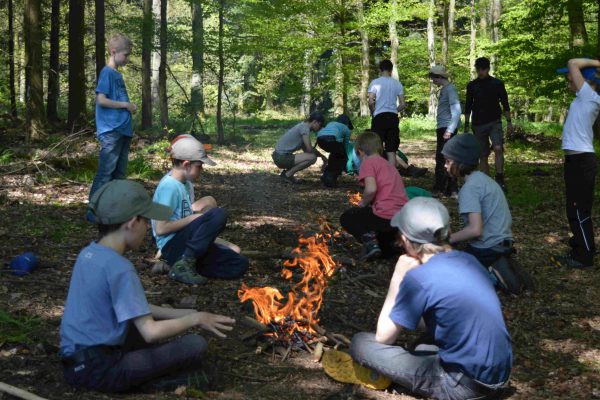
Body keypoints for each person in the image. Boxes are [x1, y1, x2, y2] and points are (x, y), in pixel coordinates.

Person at [60, 180, 236, 393]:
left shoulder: (89, 255)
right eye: (146, 222)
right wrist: (195, 320)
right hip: (102, 370)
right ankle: (156, 381)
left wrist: (185, 312)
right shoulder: (120, 268)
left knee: (137, 327)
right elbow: (150, 331)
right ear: (133, 222)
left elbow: (135, 309)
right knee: (195, 344)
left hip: (74, 363)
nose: (147, 228)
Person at [350, 197, 512, 400]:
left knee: (361, 343)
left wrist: (399, 276)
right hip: (499, 377)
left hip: (461, 387)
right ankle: (428, 354)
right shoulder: (469, 261)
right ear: (447, 232)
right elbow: (443, 315)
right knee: (428, 333)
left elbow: (384, 337)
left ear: (406, 240)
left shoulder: (419, 278)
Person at [152, 135, 248, 285]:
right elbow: (161, 229)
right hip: (171, 245)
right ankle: (183, 264)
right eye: (199, 165)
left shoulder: (186, 184)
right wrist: (194, 218)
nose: (202, 169)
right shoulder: (168, 187)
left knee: (239, 263)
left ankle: (178, 265)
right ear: (186, 164)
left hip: (186, 243)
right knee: (218, 214)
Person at [553, 58, 600, 268]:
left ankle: (585, 256)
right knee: (574, 209)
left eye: (569, 77)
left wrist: (597, 63)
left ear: (585, 79)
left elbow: (573, 62)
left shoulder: (589, 95)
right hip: (575, 160)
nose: (567, 80)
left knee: (579, 210)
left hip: (581, 161)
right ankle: (581, 245)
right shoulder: (582, 98)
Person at [86, 33, 138, 223]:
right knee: (106, 172)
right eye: (125, 54)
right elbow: (101, 100)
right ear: (114, 52)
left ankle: (112, 211)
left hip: (123, 130)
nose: (127, 58)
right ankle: (93, 211)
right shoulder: (107, 72)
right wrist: (125, 105)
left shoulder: (116, 74)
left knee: (119, 174)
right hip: (111, 131)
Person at [442, 134, 513, 267]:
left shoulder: (469, 189)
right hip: (504, 240)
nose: (445, 166)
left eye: (448, 161)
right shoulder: (482, 179)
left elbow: (475, 230)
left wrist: (447, 240)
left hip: (488, 247)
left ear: (459, 162)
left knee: (448, 266)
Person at [340, 131, 408, 260]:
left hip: (385, 216)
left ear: (360, 151)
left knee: (348, 217)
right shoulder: (388, 165)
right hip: (401, 218)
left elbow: (371, 190)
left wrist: (363, 203)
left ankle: (370, 243)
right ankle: (393, 244)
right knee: (385, 251)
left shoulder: (368, 163)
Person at [464, 57, 512, 192]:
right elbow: (468, 106)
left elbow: (505, 103)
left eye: (483, 69)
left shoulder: (497, 84)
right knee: (483, 154)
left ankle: (500, 177)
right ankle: (487, 183)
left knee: (497, 148)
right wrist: (466, 124)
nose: (480, 72)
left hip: (494, 122)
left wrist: (509, 122)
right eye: (478, 69)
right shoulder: (472, 85)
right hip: (478, 124)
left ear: (488, 69)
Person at [430, 65, 461, 198]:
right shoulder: (445, 90)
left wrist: (449, 130)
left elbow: (457, 111)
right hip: (443, 127)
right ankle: (450, 189)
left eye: (433, 78)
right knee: (448, 158)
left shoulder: (450, 90)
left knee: (444, 159)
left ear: (439, 77)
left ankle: (441, 189)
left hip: (446, 128)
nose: (432, 80)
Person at [368, 59, 405, 167]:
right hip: (393, 118)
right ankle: (391, 177)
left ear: (380, 69)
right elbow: (402, 104)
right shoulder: (397, 84)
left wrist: (373, 112)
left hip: (379, 117)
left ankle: (378, 175)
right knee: (391, 150)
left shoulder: (375, 82)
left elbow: (370, 101)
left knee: (376, 148)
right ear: (391, 70)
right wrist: (394, 111)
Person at [272, 112, 327, 183]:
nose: (320, 128)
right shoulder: (305, 128)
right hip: (281, 157)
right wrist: (321, 157)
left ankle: (288, 174)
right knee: (312, 157)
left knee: (311, 156)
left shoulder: (302, 127)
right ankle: (287, 175)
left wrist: (322, 156)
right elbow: (309, 150)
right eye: (320, 125)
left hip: (279, 156)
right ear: (314, 122)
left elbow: (307, 149)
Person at [317, 114, 353, 187]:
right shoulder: (347, 129)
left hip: (320, 140)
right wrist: (346, 156)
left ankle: (326, 175)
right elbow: (345, 144)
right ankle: (330, 178)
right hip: (331, 139)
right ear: (347, 123)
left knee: (335, 155)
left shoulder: (331, 123)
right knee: (340, 158)